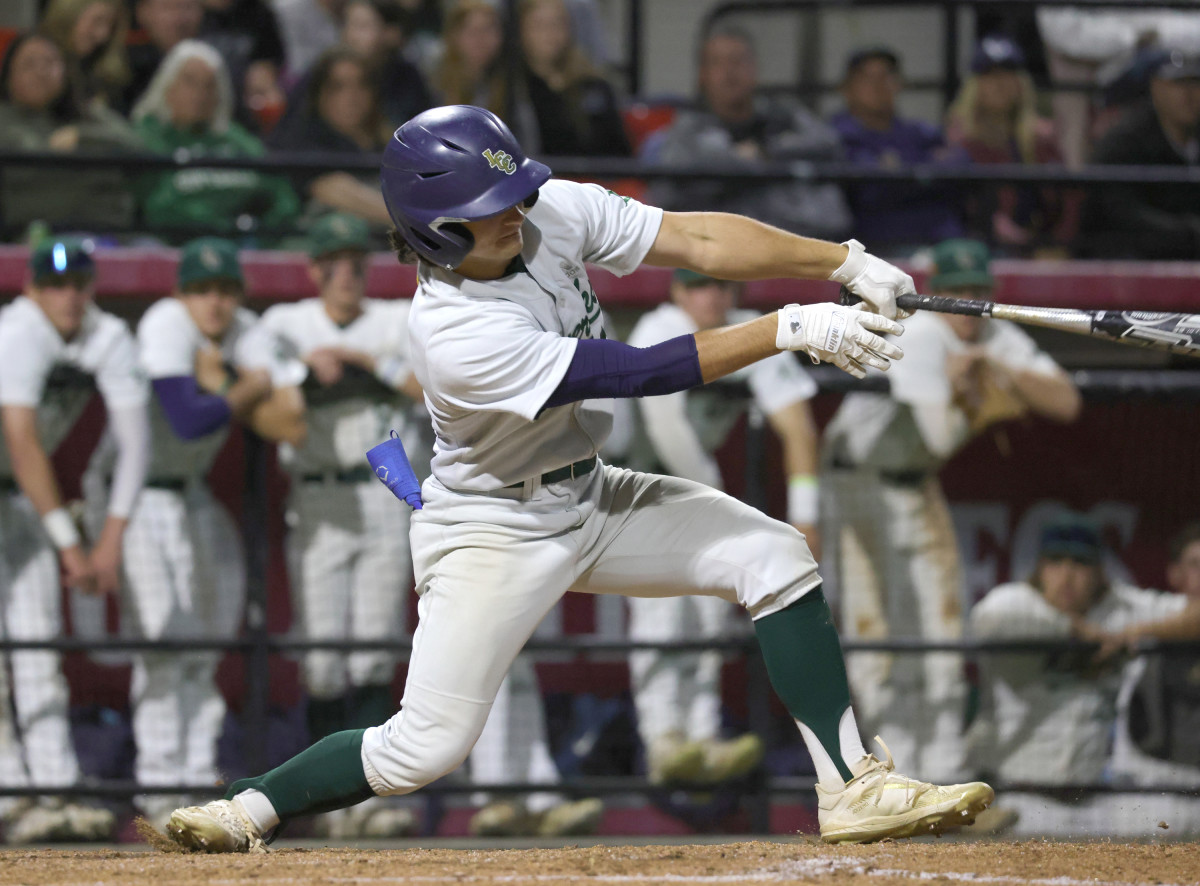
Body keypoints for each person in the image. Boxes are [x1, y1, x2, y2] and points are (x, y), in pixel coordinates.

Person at [160, 104, 994, 854]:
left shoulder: (544, 210)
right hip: (492, 527)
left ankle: (851, 787)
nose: (517, 215)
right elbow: (631, 372)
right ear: (435, 232)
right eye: (490, 213)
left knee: (772, 555)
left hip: (591, 491)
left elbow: (697, 240)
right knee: (423, 747)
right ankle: (252, 808)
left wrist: (841, 261)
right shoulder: (452, 332)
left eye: (516, 196)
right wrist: (787, 327)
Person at [820, 238, 1081, 785]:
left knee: (940, 631)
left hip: (915, 483)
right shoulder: (922, 332)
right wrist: (981, 393)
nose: (968, 301)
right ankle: (892, 780)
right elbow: (941, 432)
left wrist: (996, 371)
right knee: (877, 641)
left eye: (977, 290)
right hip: (856, 486)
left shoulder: (989, 331)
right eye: (957, 290)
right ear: (937, 289)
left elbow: (1066, 401)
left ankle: (943, 775)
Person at [113, 237, 305, 828]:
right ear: (181, 293)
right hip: (134, 490)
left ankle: (192, 784)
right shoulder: (167, 322)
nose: (214, 304)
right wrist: (243, 387)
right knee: (165, 646)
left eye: (224, 291)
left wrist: (223, 382)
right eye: (201, 291)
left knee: (203, 647)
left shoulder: (245, 328)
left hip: (189, 494)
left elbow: (290, 421)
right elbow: (188, 419)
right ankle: (155, 788)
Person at [257, 213, 426, 838]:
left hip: (384, 494)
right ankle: (319, 798)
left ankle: (369, 799)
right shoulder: (284, 322)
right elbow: (274, 400)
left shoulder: (393, 317)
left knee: (376, 649)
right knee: (323, 657)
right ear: (314, 270)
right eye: (334, 263)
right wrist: (308, 370)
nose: (347, 275)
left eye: (357, 262)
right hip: (318, 497)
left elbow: (421, 387)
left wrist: (359, 360)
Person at [622, 269, 819, 786]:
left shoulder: (746, 329)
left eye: (722, 285)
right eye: (699, 286)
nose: (713, 295)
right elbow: (664, 425)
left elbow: (796, 423)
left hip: (693, 492)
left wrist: (806, 511)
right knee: (660, 618)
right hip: (634, 488)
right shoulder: (656, 326)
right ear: (678, 292)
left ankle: (704, 737)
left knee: (710, 617)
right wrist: (708, 489)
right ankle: (663, 741)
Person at [0, 237, 149, 843]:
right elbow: (22, 439)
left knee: (38, 645)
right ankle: (11, 797)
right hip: (24, 484)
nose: (68, 295)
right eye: (54, 284)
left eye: (79, 282)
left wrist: (110, 539)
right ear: (32, 288)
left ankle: (54, 791)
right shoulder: (19, 328)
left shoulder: (104, 333)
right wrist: (70, 544)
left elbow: (135, 440)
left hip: (17, 499)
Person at [968, 513, 1194, 836]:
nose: (1067, 575)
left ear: (1100, 572)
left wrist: (1134, 632)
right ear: (1040, 569)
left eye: (1081, 563)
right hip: (1017, 799)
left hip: (1094, 802)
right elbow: (986, 618)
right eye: (1055, 562)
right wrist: (1078, 631)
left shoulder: (1119, 609)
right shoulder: (1018, 602)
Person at [647, 25, 852, 241]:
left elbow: (829, 146)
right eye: (717, 63)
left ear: (754, 69)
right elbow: (685, 182)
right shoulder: (685, 131)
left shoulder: (785, 116)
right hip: (715, 251)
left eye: (737, 61)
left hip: (794, 244)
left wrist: (766, 153)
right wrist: (753, 165)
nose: (729, 72)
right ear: (702, 75)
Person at [132, 39, 301, 242]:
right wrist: (222, 228)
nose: (199, 95)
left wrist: (263, 234)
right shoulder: (146, 137)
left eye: (209, 85)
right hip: (176, 245)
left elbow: (281, 194)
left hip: (248, 244)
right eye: (190, 82)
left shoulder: (236, 139)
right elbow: (157, 207)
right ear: (167, 85)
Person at [0, 32, 143, 238]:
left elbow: (137, 147)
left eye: (50, 62)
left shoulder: (88, 114)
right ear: (8, 75)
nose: (41, 72)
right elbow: (34, 162)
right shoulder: (5, 121)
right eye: (29, 64)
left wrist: (82, 138)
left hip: (113, 236)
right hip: (34, 237)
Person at [945, 35, 1078, 255]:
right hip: (979, 249)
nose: (1000, 83)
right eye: (990, 75)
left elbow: (1068, 201)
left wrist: (1059, 246)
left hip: (1040, 248)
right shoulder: (961, 140)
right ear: (975, 85)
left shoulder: (1042, 138)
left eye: (1008, 74)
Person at [829, 46, 964, 254]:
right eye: (867, 78)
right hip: (872, 249)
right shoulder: (835, 134)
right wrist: (924, 171)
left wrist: (900, 170)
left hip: (937, 240)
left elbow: (960, 162)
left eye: (886, 76)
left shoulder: (916, 131)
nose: (878, 86)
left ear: (899, 84)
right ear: (846, 87)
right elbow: (871, 190)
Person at [1081, 50, 1200, 260]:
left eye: (1195, 82)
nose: (1189, 94)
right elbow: (1117, 212)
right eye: (1178, 83)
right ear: (1155, 87)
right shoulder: (1124, 142)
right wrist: (1189, 232)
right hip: (1127, 263)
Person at [267, 47, 393, 226]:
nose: (352, 97)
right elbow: (333, 189)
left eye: (362, 85)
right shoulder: (303, 142)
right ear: (319, 95)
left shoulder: (394, 141)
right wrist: (410, 223)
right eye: (338, 87)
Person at [510, 0, 630, 157]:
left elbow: (620, 151)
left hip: (597, 177)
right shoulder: (512, 88)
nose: (550, 34)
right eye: (539, 25)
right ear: (521, 32)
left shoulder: (593, 84)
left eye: (558, 24)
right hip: (540, 178)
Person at [337, 0, 432, 130]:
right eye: (347, 24)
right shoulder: (327, 71)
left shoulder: (407, 77)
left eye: (362, 26)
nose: (351, 35)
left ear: (391, 33)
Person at [38, 0, 131, 108]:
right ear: (70, 14)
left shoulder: (102, 72)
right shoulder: (37, 58)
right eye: (97, 21)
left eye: (110, 26)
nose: (103, 35)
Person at [426, 0, 507, 114]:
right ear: (454, 36)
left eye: (488, 29)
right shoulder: (432, 82)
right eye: (471, 31)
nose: (480, 39)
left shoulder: (509, 81)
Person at [124, 0, 205, 112]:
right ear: (142, 12)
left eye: (188, 7)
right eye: (168, 8)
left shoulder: (214, 64)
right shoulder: (124, 68)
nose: (180, 20)